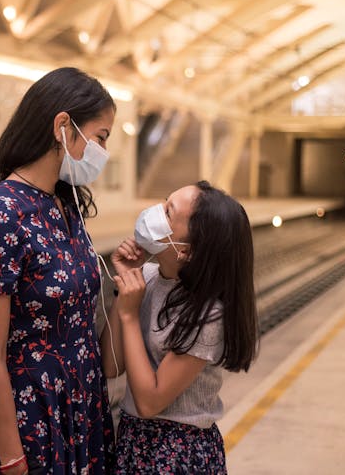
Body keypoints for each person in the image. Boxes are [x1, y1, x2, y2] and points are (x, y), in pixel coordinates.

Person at [0, 67, 117, 474]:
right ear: (63, 125)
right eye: (101, 137)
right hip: (34, 420)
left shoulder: (64, 205)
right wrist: (12, 460)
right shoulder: (0, 214)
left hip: (80, 410)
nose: (102, 151)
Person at [100, 181, 259, 474]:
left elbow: (150, 402)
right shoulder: (148, 276)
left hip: (179, 451)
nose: (154, 212)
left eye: (168, 212)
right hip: (133, 439)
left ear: (187, 251)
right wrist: (126, 289)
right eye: (164, 202)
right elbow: (111, 366)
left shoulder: (208, 315)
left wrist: (130, 316)